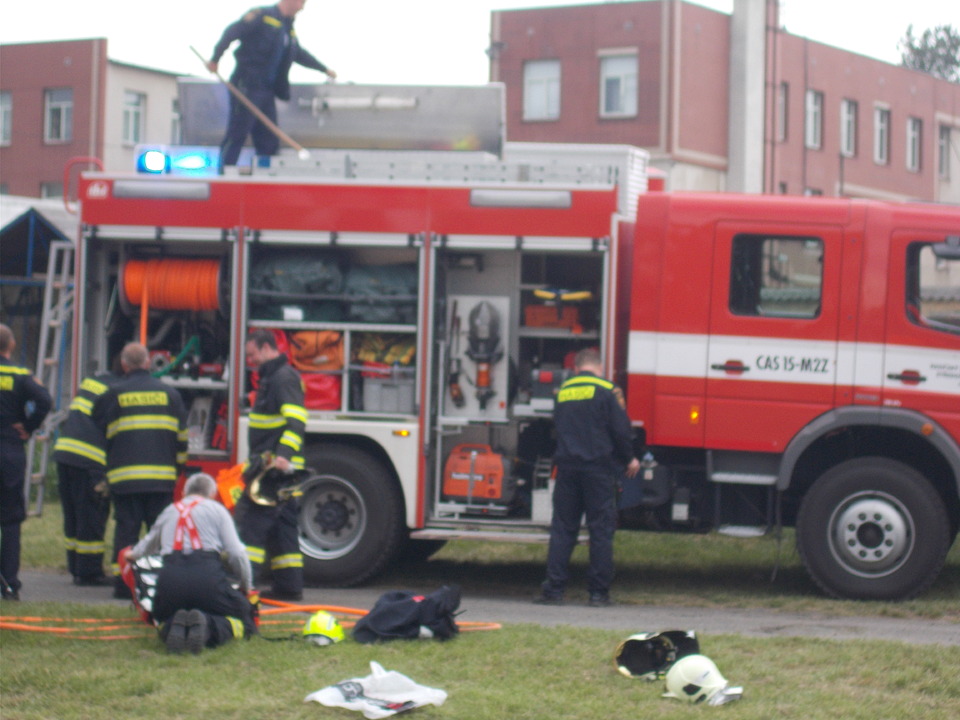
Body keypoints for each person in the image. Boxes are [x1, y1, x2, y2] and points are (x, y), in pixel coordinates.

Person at [535, 348, 640, 608]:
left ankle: (554, 590)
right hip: (597, 470)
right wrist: (629, 458)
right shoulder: (607, 390)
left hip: (567, 469)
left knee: (563, 529)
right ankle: (597, 594)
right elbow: (621, 430)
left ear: (576, 368)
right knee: (600, 530)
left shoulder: (564, 391)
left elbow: (557, 427)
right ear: (599, 367)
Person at [124, 472, 257, 654]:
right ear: (212, 494)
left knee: (161, 615)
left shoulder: (169, 511)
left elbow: (145, 547)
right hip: (207, 577)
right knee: (245, 617)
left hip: (171, 580)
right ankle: (208, 626)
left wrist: (130, 554)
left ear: (184, 493)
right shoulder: (217, 510)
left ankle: (172, 625)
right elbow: (236, 553)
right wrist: (246, 587)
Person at [94, 342, 187, 598]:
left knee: (127, 532)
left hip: (125, 480)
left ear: (124, 365)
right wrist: (177, 469)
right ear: (148, 362)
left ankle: (124, 586)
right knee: (159, 534)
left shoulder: (113, 394)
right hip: (161, 480)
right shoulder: (171, 394)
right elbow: (182, 439)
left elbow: (98, 424)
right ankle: (158, 584)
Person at [206, 0, 338, 166]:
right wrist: (215, 59)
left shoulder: (287, 29)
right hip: (246, 85)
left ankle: (265, 173)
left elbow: (298, 53)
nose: (302, 8)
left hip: (266, 90)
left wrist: (323, 69)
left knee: (268, 139)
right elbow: (232, 32)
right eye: (301, 2)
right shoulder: (262, 16)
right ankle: (225, 172)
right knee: (238, 132)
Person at [235, 329, 307, 601]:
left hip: (273, 470)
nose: (250, 360)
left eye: (252, 354)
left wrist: (283, 456)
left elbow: (296, 422)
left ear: (267, 348)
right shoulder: (272, 377)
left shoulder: (283, 378)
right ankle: (289, 586)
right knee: (282, 530)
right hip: (276, 470)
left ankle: (243, 588)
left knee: (251, 527)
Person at [0, 323, 52, 601]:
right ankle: (9, 586)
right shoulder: (20, 374)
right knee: (10, 521)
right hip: (9, 451)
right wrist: (29, 427)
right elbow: (45, 400)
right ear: (11, 345)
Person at [53, 370, 118, 586]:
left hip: (65, 454)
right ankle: (90, 573)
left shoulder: (92, 382)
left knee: (73, 516)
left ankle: (76, 567)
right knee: (92, 517)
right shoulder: (119, 391)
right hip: (90, 461)